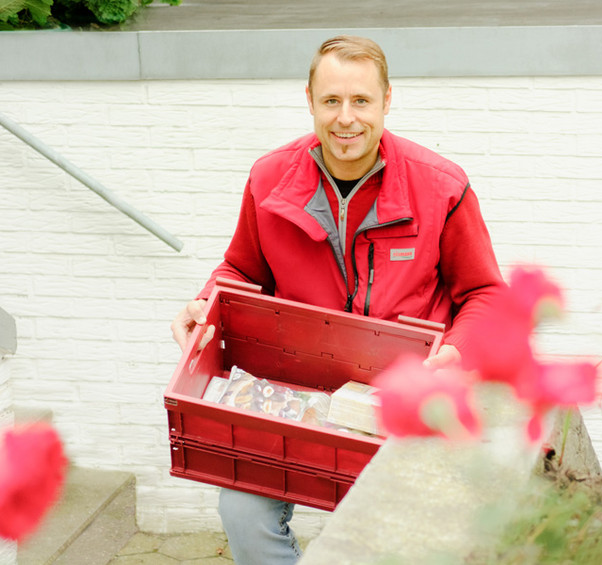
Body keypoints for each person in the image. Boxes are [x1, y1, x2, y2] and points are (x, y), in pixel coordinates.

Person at [171, 35, 503, 565]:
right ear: (309, 100)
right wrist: (203, 303)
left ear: (387, 100)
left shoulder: (442, 186)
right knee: (242, 513)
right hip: (297, 393)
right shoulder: (268, 178)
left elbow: (485, 294)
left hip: (403, 402)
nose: (346, 118)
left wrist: (457, 352)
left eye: (361, 101)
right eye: (331, 101)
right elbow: (240, 270)